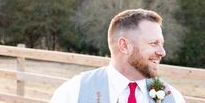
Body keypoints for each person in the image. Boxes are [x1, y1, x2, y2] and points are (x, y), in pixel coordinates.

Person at [50, 8, 186, 103]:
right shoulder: (74, 92)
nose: (162, 52)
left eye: (161, 43)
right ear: (124, 45)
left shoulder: (173, 98)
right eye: (153, 43)